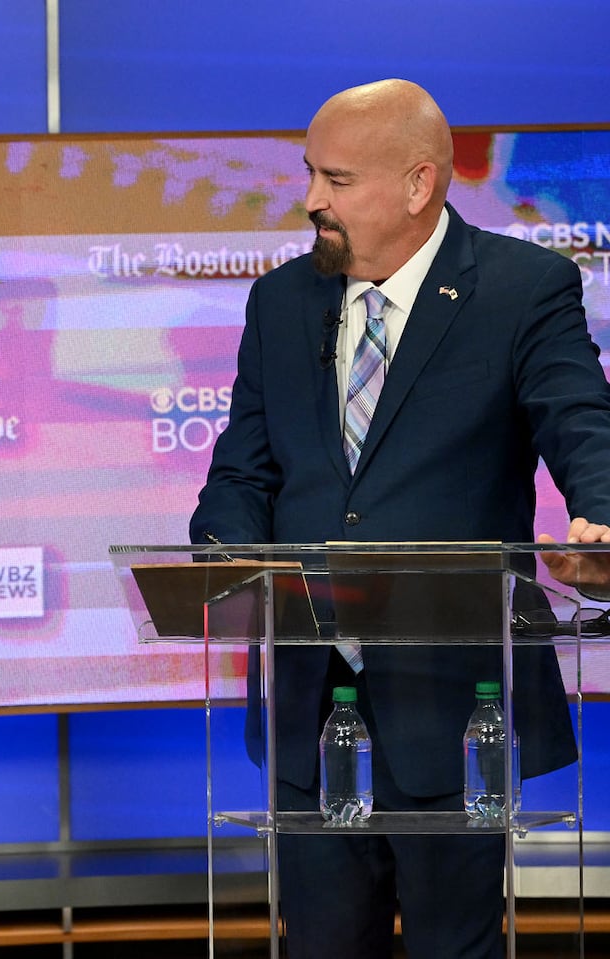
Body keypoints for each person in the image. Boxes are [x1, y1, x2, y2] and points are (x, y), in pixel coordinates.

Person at [190, 79, 610, 958]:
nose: (311, 201)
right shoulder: (280, 303)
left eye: (336, 181)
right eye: (311, 174)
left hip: (457, 708)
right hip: (311, 705)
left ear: (420, 185)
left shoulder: (521, 288)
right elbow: (244, 469)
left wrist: (603, 516)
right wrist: (221, 555)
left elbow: (582, 422)